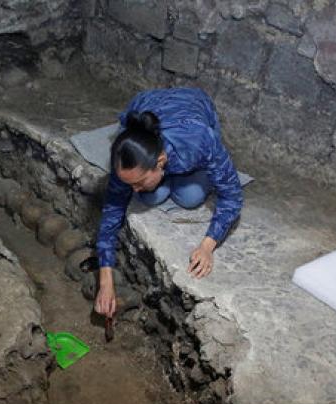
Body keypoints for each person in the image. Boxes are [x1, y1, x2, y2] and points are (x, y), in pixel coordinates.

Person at [93, 87, 243, 318]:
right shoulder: (126, 156)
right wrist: (105, 280)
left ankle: (174, 179)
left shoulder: (199, 141)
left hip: (194, 106)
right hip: (148, 104)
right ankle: (159, 183)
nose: (131, 190)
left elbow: (231, 196)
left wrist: (207, 246)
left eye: (139, 181)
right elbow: (112, 213)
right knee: (153, 195)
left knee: (190, 197)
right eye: (130, 183)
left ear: (160, 161)